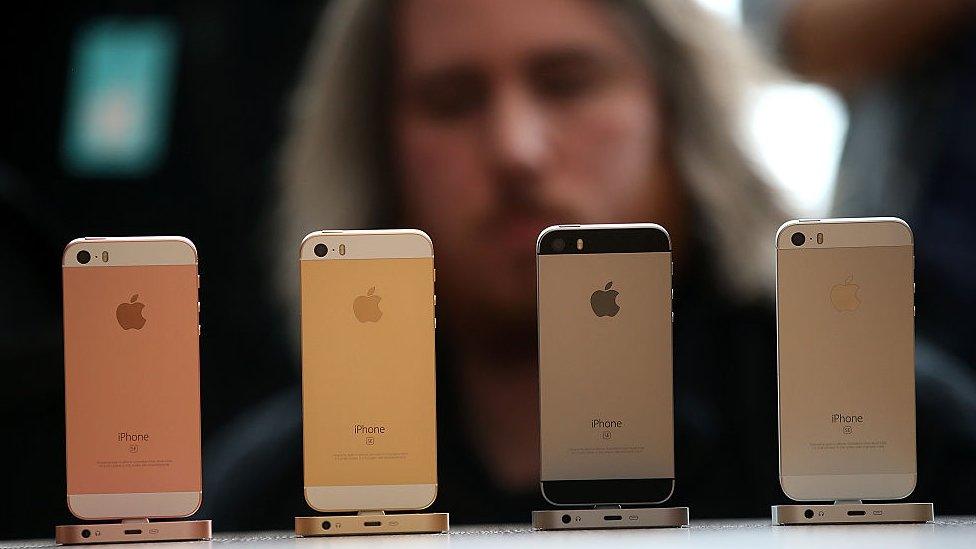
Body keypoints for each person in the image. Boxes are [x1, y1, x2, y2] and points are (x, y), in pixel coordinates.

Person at [201, 0, 974, 528]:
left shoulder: (903, 436)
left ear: (681, 120)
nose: (515, 149)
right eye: (451, 99)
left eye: (568, 83)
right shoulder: (269, 493)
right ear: (379, 152)